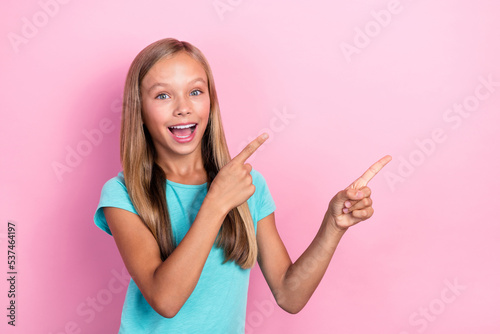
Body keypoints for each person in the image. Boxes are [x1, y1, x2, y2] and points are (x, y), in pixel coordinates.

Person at [94, 37, 391, 333]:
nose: (183, 107)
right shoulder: (122, 194)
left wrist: (333, 226)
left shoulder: (248, 186)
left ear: (211, 102)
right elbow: (166, 300)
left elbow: (290, 295)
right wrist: (216, 203)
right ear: (140, 112)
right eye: (162, 96)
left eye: (195, 91)